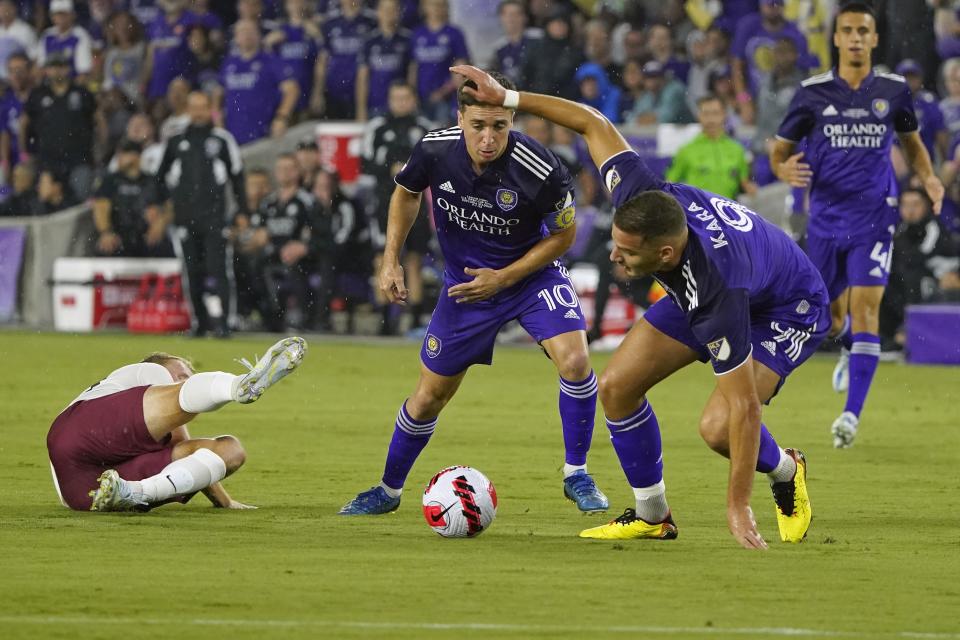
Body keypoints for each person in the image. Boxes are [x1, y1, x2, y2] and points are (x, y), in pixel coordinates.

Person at [453, 64, 826, 550]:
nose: (614, 255)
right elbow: (593, 123)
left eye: (627, 252)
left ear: (663, 254)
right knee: (616, 387)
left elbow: (746, 407)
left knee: (718, 428)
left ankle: (786, 469)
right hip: (727, 279)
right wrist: (510, 98)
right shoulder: (640, 193)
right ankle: (653, 515)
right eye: (616, 242)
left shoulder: (716, 288)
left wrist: (736, 505)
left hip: (786, 305)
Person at [339, 71, 609, 517]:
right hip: (465, 286)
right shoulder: (434, 148)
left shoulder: (540, 167)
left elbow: (562, 237)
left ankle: (577, 474)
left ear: (512, 121)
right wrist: (390, 259)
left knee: (577, 360)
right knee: (428, 397)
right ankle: (387, 491)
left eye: (499, 127)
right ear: (460, 117)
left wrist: (504, 278)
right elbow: (405, 193)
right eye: (478, 126)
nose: (488, 139)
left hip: (530, 277)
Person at [771, 3, 944, 449]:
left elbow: (914, 144)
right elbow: (780, 150)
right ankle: (847, 343)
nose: (854, 37)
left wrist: (929, 179)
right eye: (846, 30)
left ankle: (850, 415)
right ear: (835, 38)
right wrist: (786, 170)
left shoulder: (893, 90)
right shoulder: (812, 94)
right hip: (826, 222)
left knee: (866, 308)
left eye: (862, 31)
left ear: (873, 39)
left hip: (874, 217)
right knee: (829, 320)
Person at [47, 337, 307, 512]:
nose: (187, 381)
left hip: (87, 493)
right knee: (181, 403)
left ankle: (135, 491)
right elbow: (182, 442)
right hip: (77, 436)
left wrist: (225, 503)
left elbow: (188, 453)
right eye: (183, 376)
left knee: (230, 450)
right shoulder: (144, 371)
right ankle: (237, 386)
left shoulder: (153, 426)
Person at [155, 91, 248, 338]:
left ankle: (226, 323)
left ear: (211, 109)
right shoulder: (176, 141)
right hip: (185, 217)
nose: (198, 112)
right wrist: (160, 206)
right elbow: (159, 177)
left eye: (202, 107)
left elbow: (238, 177)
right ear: (187, 109)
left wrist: (242, 211)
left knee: (219, 269)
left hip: (215, 216)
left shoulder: (222, 140)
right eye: (193, 107)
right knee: (191, 271)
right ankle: (200, 322)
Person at [360, 81, 433, 334]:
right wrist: (390, 170)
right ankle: (384, 318)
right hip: (385, 202)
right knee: (382, 257)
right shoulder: (377, 128)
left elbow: (434, 162)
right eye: (396, 98)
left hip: (416, 202)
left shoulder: (423, 127)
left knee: (414, 259)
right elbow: (365, 163)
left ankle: (414, 315)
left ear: (413, 99)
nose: (400, 103)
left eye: (405, 97)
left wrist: (410, 171)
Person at [667, 94, 757, 200]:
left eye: (715, 113)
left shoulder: (737, 150)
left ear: (724, 115)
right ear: (698, 116)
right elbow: (669, 186)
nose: (710, 119)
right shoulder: (686, 150)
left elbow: (746, 184)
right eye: (706, 114)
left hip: (728, 212)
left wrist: (752, 190)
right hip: (699, 213)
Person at [93, 139, 170, 258]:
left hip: (147, 237)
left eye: (123, 153)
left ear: (136, 155)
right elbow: (100, 207)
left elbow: (169, 206)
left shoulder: (153, 181)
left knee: (163, 249)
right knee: (105, 247)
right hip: (118, 236)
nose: (118, 158)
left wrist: (160, 223)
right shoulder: (110, 181)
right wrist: (106, 232)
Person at [355, 0, 412, 122]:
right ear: (378, 12)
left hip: (401, 105)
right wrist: (361, 109)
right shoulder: (369, 41)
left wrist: (412, 100)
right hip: (375, 104)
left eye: (392, 10)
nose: (389, 14)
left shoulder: (407, 39)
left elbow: (412, 72)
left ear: (398, 13)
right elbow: (362, 77)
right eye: (385, 10)